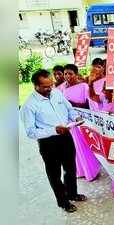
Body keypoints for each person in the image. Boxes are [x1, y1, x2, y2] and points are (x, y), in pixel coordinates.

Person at [20, 69, 87, 213]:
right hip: (48, 143)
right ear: (35, 86)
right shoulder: (29, 106)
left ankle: (72, 194)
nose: (49, 88)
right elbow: (31, 132)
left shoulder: (56, 92)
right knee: (54, 174)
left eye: (50, 84)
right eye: (45, 86)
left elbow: (69, 108)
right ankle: (63, 202)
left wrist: (76, 118)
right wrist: (53, 130)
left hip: (66, 137)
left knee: (70, 168)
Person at [61, 64, 101, 182]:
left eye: (70, 73)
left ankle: (92, 171)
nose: (67, 76)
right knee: (76, 148)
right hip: (71, 122)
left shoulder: (83, 86)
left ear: (76, 74)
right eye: (65, 73)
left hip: (83, 121)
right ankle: (82, 170)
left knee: (85, 145)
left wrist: (73, 104)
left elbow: (88, 104)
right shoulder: (64, 89)